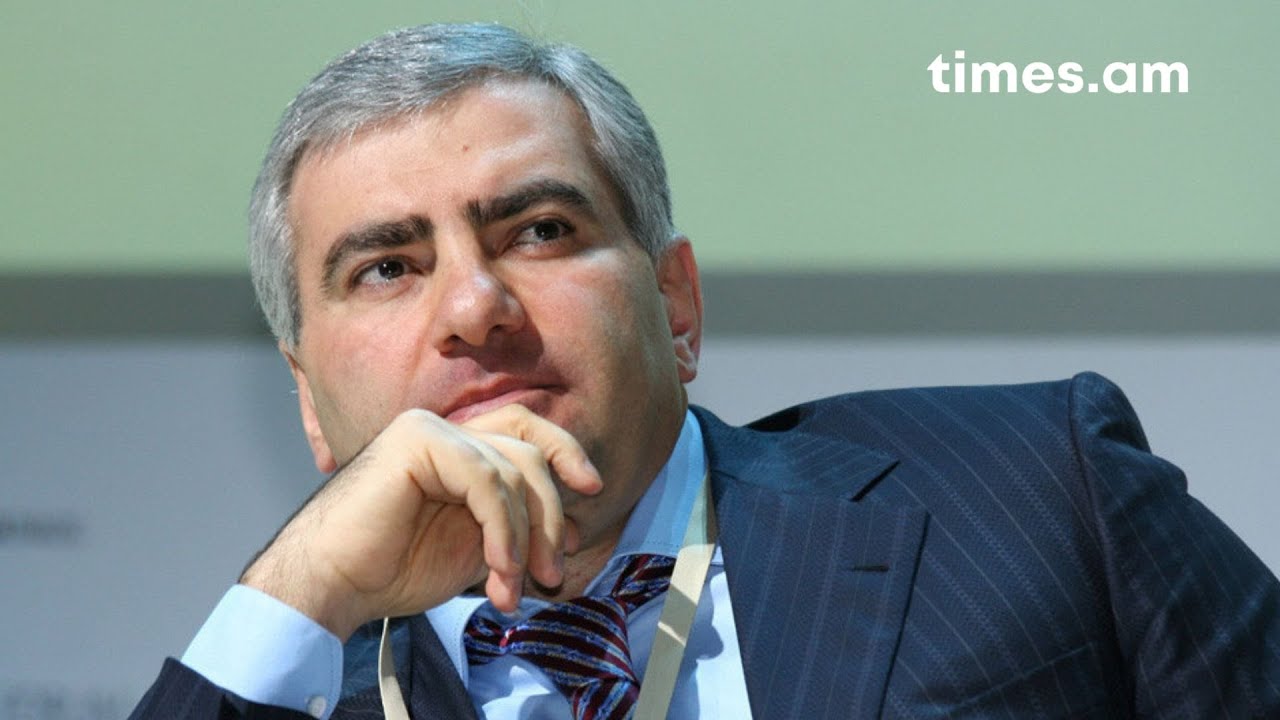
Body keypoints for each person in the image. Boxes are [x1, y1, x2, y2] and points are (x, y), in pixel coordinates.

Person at [129, 22, 1280, 720]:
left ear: (674, 305)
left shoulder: (1037, 489)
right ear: (306, 400)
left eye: (538, 230)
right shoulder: (280, 687)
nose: (474, 309)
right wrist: (299, 585)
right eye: (386, 267)